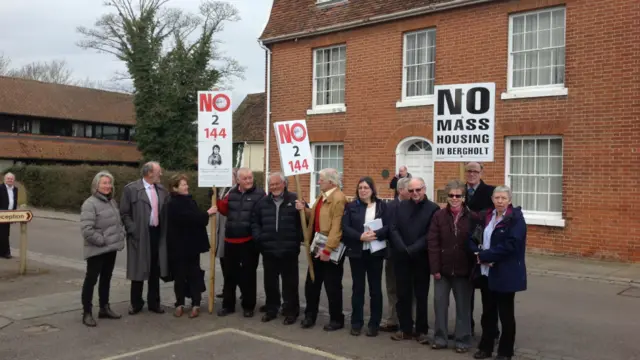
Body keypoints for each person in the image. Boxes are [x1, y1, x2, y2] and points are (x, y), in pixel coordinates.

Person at [469, 185, 527, 360]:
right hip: (487, 272)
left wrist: (485, 255)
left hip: (506, 273)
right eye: (497, 198)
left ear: (509, 200)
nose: (500, 201)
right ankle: (485, 347)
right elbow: (473, 237)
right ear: (492, 199)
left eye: (503, 198)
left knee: (506, 314)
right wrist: (476, 252)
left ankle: (505, 352)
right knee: (488, 312)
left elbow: (511, 245)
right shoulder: (487, 216)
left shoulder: (516, 219)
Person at [295, 168, 347, 331]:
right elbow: (316, 217)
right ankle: (310, 315)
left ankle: (337, 319)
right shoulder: (322, 197)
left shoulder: (338, 198)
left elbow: (336, 227)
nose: (319, 182)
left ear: (331, 182)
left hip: (329, 248)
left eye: (321, 180)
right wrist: (304, 209)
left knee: (332, 285)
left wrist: (328, 249)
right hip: (316, 244)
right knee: (312, 283)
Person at [389, 177, 439, 344]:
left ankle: (422, 330)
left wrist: (413, 248)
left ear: (424, 189)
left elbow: (430, 234)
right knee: (403, 294)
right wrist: (402, 247)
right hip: (401, 257)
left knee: (421, 295)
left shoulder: (433, 208)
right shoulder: (401, 206)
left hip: (421, 258)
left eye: (418, 190)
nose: (415, 193)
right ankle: (405, 328)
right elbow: (393, 227)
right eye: (411, 191)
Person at [212, 167, 266, 318]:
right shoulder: (232, 193)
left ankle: (248, 306)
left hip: (249, 241)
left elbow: (265, 213)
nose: (249, 181)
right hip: (230, 240)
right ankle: (228, 305)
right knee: (229, 275)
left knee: (248, 275)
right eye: (245, 178)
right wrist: (215, 196)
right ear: (238, 180)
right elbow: (224, 209)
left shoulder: (260, 194)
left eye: (250, 178)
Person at [427, 179, 474, 352]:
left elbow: (477, 244)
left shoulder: (472, 217)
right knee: (440, 305)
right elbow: (432, 243)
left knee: (463, 308)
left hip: (463, 271)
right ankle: (440, 338)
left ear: (463, 197)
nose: (454, 198)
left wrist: (472, 268)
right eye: (451, 195)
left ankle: (462, 340)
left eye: (458, 195)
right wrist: (435, 269)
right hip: (442, 271)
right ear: (447, 197)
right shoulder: (438, 216)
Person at [251, 172, 303, 325]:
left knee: (290, 283)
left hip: (289, 250)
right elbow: (255, 222)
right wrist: (259, 237)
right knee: (270, 283)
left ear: (284, 184)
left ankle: (291, 311)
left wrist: (303, 210)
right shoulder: (262, 203)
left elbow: (306, 222)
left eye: (276, 183)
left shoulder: (295, 200)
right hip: (269, 249)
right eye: (271, 184)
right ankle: (272, 309)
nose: (273, 187)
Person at [120, 161, 170, 315]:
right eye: (158, 171)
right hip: (140, 234)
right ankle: (136, 303)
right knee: (138, 268)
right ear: (149, 173)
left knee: (155, 268)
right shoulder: (131, 189)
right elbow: (124, 213)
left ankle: (154, 302)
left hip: (157, 233)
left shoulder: (162, 190)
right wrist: (132, 229)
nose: (161, 174)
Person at [342, 176, 388, 337]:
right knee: (358, 289)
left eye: (366, 188)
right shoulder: (351, 206)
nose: (363, 190)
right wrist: (360, 236)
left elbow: (389, 226)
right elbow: (345, 227)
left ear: (372, 190)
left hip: (375, 252)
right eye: (360, 187)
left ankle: (374, 324)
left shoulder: (382, 206)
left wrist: (375, 234)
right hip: (357, 252)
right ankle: (356, 323)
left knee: (375, 290)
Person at [80, 171, 126, 327]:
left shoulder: (111, 202)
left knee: (106, 279)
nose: (107, 186)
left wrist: (120, 236)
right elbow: (87, 229)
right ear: (96, 185)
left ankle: (104, 308)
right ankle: (87, 312)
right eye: (104, 183)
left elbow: (116, 224)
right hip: (97, 249)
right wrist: (102, 241)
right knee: (91, 280)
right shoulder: (90, 203)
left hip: (110, 249)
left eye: (109, 183)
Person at [167, 174, 216, 318]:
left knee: (195, 274)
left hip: (192, 246)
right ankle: (180, 302)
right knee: (180, 276)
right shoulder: (173, 203)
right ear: (175, 188)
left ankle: (196, 303)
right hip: (178, 247)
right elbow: (190, 218)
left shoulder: (190, 200)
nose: (186, 186)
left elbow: (198, 219)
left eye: (186, 184)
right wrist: (207, 213)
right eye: (183, 184)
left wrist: (206, 209)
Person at [464, 161, 496, 336]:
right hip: (464, 247)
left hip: (483, 247)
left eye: (475, 171)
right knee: (466, 293)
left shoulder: (491, 192)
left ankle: (490, 332)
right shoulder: (460, 191)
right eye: (468, 171)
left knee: (488, 294)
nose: (471, 174)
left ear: (481, 173)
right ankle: (466, 328)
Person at [380, 176, 412, 333]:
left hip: (411, 254)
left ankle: (409, 319)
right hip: (393, 254)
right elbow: (386, 229)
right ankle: (392, 319)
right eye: (409, 189)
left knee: (409, 289)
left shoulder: (415, 205)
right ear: (400, 190)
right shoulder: (390, 207)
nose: (413, 192)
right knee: (392, 288)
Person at [212, 168, 238, 299]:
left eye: (231, 176)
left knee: (231, 264)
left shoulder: (236, 191)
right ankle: (227, 288)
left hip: (230, 230)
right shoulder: (223, 189)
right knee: (223, 262)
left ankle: (235, 290)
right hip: (220, 229)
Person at [0, 172, 18, 259]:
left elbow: (14, 203)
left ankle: (4, 252)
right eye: (8, 178)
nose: (10, 180)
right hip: (1, 214)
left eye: (11, 179)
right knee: (3, 233)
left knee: (6, 234)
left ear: (13, 180)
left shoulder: (15, 189)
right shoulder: (0, 188)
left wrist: (14, 215)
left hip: (9, 215)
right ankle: (6, 253)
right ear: (5, 179)